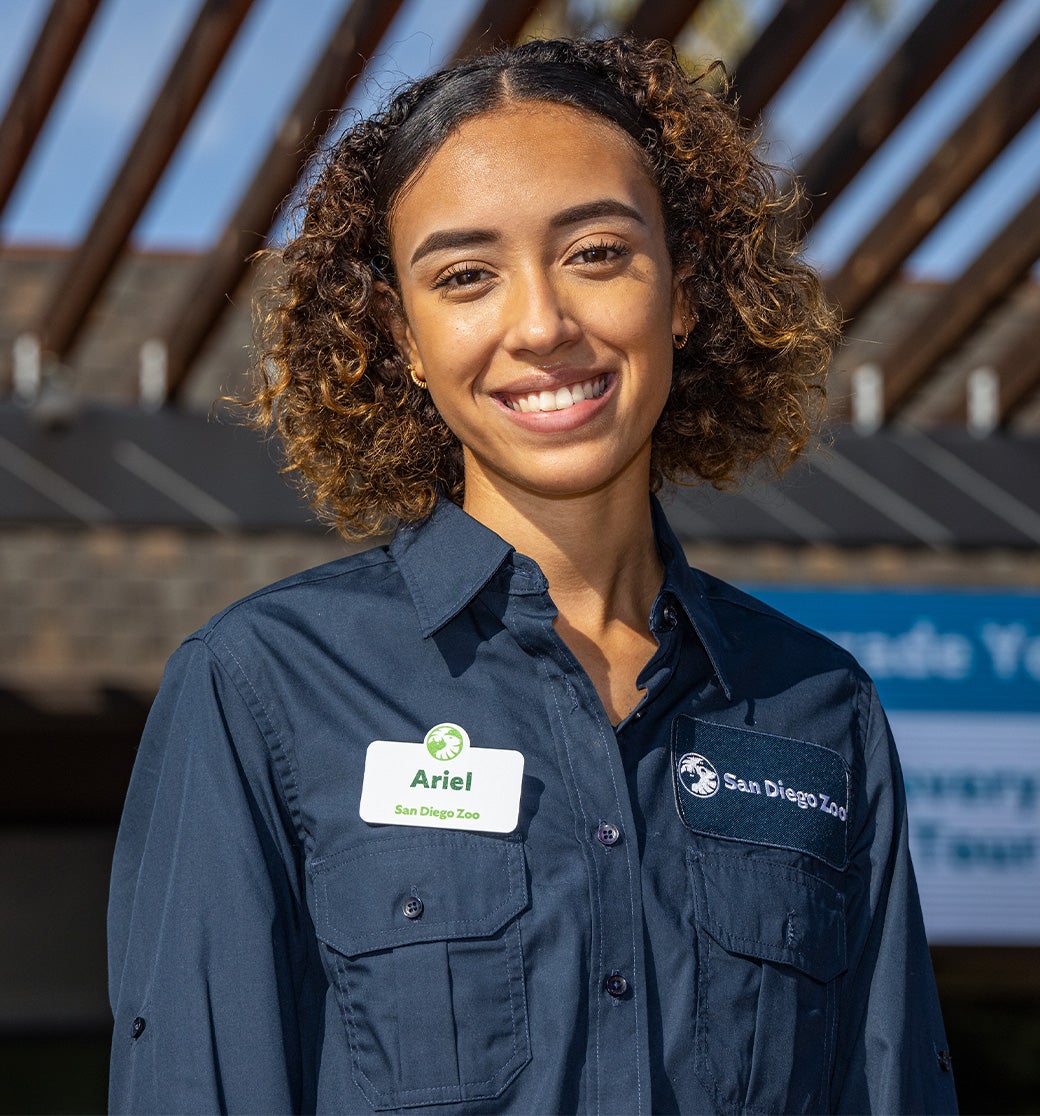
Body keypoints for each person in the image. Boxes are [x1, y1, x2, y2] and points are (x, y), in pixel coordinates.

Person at [108, 35, 957, 1115]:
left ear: (682, 292)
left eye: (596, 253)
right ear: (403, 339)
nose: (542, 324)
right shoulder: (259, 687)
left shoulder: (817, 711)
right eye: (465, 276)